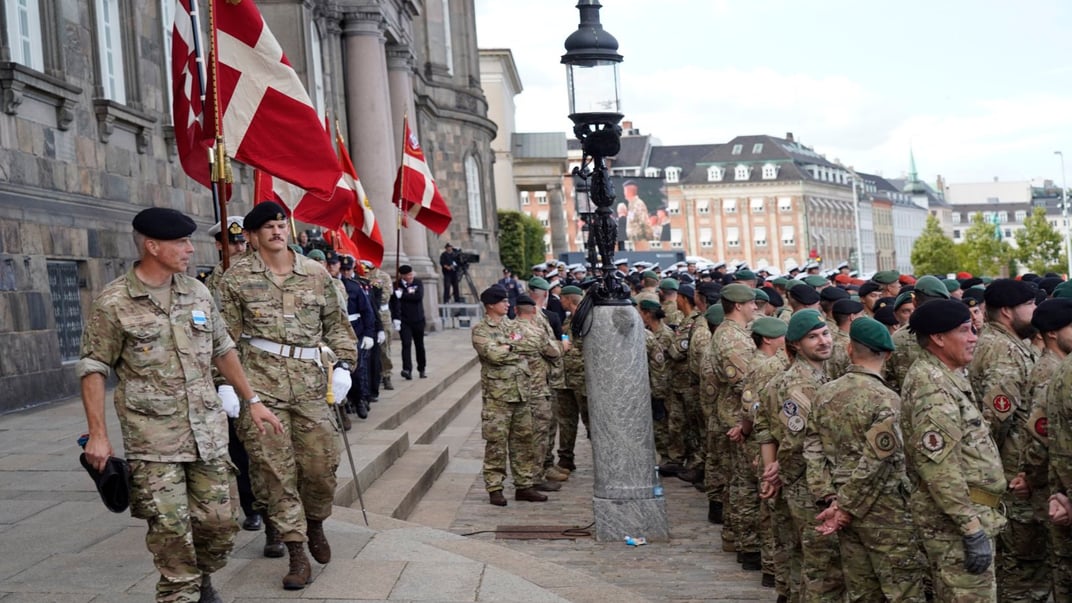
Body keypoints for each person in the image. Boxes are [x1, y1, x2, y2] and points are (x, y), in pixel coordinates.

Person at [78, 207, 282, 603]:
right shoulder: (115, 301)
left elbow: (223, 349)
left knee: (220, 526)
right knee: (170, 531)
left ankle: (201, 577)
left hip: (207, 434)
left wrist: (251, 400)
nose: (191, 249)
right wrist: (98, 436)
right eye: (181, 242)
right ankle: (182, 590)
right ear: (153, 246)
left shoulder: (197, 291)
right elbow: (93, 367)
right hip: (153, 441)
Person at [218, 201, 357, 591]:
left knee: (320, 468)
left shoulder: (314, 274)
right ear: (252, 235)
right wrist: (226, 384)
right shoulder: (235, 279)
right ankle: (295, 551)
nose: (278, 231)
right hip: (261, 388)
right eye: (268, 227)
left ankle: (315, 523)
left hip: (312, 385)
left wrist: (345, 365)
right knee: (275, 472)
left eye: (282, 225)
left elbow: (337, 324)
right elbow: (222, 338)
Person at [806, 317, 927, 602]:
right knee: (903, 589)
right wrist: (845, 506)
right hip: (886, 510)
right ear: (887, 354)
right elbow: (878, 462)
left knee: (862, 590)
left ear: (849, 350)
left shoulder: (824, 394)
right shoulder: (888, 400)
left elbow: (812, 449)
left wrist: (829, 496)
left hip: (840, 505)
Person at [901, 299, 1006, 602]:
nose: (974, 337)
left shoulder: (947, 375)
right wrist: (971, 528)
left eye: (973, 329)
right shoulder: (932, 385)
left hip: (970, 514)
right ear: (938, 337)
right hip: (957, 524)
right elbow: (940, 468)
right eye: (964, 331)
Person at [966, 278, 1043, 601]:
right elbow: (995, 419)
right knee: (1022, 568)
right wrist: (1003, 472)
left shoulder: (1002, 343)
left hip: (1007, 471)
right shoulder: (1004, 351)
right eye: (1030, 305)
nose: (1036, 311)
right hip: (1012, 473)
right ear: (1009, 312)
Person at [758, 309, 842, 602]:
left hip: (795, 479)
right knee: (822, 566)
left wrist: (771, 468)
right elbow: (799, 441)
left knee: (798, 559)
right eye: (813, 337)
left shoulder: (820, 376)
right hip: (807, 485)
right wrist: (777, 470)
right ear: (794, 345)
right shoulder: (800, 384)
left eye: (825, 334)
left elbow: (765, 428)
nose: (823, 341)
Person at [203, 217, 266, 534]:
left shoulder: (262, 275)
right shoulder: (205, 285)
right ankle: (251, 505)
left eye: (243, 241)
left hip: (262, 373)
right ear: (219, 246)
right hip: (225, 374)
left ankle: (273, 511)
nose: (240, 247)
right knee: (238, 447)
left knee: (266, 445)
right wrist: (221, 382)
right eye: (233, 243)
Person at [472, 285, 545, 505]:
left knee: (524, 441)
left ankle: (524, 485)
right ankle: (495, 487)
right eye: (502, 301)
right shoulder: (481, 329)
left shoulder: (513, 325)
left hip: (522, 392)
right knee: (496, 443)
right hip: (498, 397)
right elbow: (492, 354)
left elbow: (533, 344)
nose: (507, 304)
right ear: (491, 305)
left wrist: (507, 346)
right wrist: (514, 348)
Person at [390, 264, 426, 379]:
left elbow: (418, 297)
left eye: (411, 274)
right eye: (407, 275)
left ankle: (421, 368)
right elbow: (394, 303)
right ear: (402, 276)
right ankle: (407, 369)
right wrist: (395, 318)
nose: (410, 277)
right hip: (404, 320)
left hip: (418, 319)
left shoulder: (417, 282)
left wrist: (403, 296)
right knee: (406, 344)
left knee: (419, 345)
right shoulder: (396, 285)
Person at [364, 260, 395, 392]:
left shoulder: (383, 276)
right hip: (367, 314)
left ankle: (386, 375)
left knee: (384, 348)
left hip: (382, 315)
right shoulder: (361, 276)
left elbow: (386, 296)